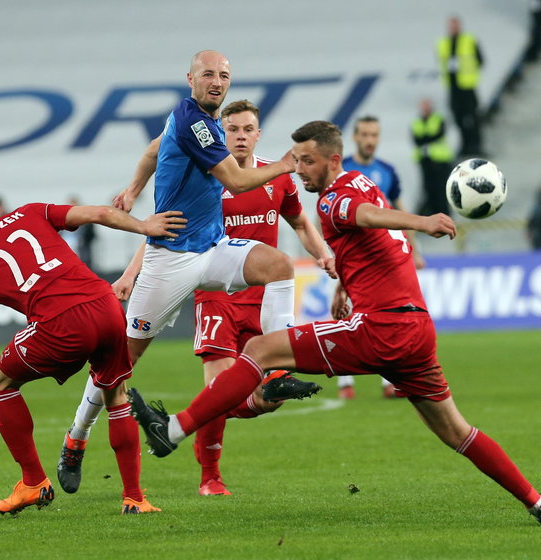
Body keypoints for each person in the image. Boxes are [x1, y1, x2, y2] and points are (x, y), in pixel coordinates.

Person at [128, 120, 541, 526]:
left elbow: (364, 217)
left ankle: (172, 430)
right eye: (295, 159)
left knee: (261, 350)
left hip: (380, 330)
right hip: (417, 331)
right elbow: (370, 238)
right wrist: (345, 284)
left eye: (306, 161)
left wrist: (422, 222)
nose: (298, 170)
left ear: (332, 160)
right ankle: (538, 502)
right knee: (457, 430)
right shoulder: (364, 182)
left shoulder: (334, 200)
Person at [56, 51, 326, 494]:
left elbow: (151, 150)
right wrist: (285, 163)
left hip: (212, 248)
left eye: (223, 75)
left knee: (280, 266)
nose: (216, 81)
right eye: (207, 74)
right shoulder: (196, 123)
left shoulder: (199, 122)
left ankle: (276, 370)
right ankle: (76, 437)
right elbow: (236, 182)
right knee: (118, 364)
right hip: (172, 259)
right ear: (190, 80)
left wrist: (134, 189)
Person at [112, 99, 334, 496]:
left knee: (265, 400)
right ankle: (209, 476)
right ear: (222, 132)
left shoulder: (276, 180)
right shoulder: (209, 177)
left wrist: (321, 252)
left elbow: (300, 221)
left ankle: (182, 425)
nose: (241, 136)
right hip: (216, 298)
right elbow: (167, 234)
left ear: (258, 134)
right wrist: (131, 273)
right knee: (219, 388)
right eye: (233, 129)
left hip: (262, 299)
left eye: (248, 129)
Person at [0, 185, 186, 515]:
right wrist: (145, 227)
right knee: (115, 394)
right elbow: (99, 213)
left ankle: (33, 482)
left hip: (60, 324)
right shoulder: (28, 212)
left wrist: (5, 366)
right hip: (106, 305)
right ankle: (134, 499)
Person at [337, 114, 425, 399]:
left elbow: (399, 212)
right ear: (355, 136)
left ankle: (390, 382)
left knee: (384, 316)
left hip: (384, 258)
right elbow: (325, 210)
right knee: (346, 314)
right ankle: (345, 383)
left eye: (374, 135)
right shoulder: (342, 169)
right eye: (364, 134)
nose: (370, 140)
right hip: (350, 257)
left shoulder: (387, 171)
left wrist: (415, 251)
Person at [437, 15, 484, 157]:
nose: (453, 29)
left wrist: (469, 73)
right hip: (453, 87)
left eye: (455, 25)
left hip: (467, 86)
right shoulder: (443, 43)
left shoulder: (469, 40)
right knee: (458, 117)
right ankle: (464, 145)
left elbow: (480, 60)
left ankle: (476, 145)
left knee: (473, 117)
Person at [411, 98, 455, 217]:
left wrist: (425, 138)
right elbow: (416, 139)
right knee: (428, 188)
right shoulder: (417, 122)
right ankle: (433, 214)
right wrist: (428, 138)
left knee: (441, 188)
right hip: (425, 160)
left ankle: (445, 214)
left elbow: (438, 135)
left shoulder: (438, 119)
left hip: (440, 159)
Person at [59, 195, 97, 269]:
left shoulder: (86, 221)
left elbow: (90, 235)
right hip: (66, 246)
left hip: (80, 246)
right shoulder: (61, 220)